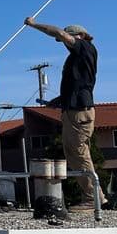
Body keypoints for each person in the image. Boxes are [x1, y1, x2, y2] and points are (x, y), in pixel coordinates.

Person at [24, 17, 104, 210]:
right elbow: (79, 84)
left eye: (68, 40)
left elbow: (59, 33)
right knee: (73, 151)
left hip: (79, 112)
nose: (64, 44)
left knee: (78, 151)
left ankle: (93, 197)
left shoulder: (84, 47)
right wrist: (60, 100)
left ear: (80, 35)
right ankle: (94, 195)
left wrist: (34, 24)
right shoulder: (78, 57)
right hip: (73, 109)